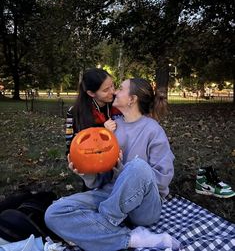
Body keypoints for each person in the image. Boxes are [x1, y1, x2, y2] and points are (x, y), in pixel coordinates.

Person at [45, 78, 180, 251]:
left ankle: (101, 223)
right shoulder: (112, 128)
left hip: (144, 207)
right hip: (111, 194)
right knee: (54, 212)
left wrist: (126, 171)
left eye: (121, 88)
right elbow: (100, 181)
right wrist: (85, 171)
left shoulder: (153, 130)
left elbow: (162, 178)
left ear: (132, 99)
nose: (115, 91)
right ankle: (132, 239)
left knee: (138, 166)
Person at [65, 68, 121, 156]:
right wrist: (103, 131)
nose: (113, 92)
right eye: (106, 90)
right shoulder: (75, 112)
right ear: (91, 93)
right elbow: (71, 144)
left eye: (112, 86)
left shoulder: (119, 105)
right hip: (92, 160)